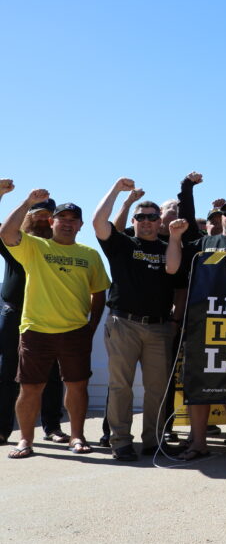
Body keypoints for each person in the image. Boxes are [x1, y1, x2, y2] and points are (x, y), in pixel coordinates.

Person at [1, 185, 110, 460]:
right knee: (30, 388)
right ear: (52, 222)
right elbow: (6, 233)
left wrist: (92, 326)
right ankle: (25, 440)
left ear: (81, 225)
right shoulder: (35, 246)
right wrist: (27, 201)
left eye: (74, 220)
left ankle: (77, 435)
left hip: (75, 331)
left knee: (77, 386)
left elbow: (99, 293)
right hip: (36, 330)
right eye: (62, 218)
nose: (68, 224)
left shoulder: (90, 255)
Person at [166, 196, 226, 461]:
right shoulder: (204, 243)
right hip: (201, 325)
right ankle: (198, 443)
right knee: (199, 386)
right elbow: (173, 268)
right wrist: (174, 238)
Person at [92, 178, 180, 462]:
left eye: (152, 217)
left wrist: (176, 238)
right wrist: (117, 191)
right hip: (123, 323)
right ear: (134, 220)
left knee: (156, 389)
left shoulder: (168, 245)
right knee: (121, 386)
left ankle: (153, 441)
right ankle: (120, 442)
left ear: (159, 222)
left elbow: (174, 269)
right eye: (141, 218)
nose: (147, 222)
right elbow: (98, 222)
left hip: (158, 327)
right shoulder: (122, 244)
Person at [1, 194, 67, 446]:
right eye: (36, 214)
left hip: (47, 316)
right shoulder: (15, 241)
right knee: (7, 374)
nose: (41, 220)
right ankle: (2, 429)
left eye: (47, 216)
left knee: (52, 374)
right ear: (27, 216)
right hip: (14, 313)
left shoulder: (60, 246)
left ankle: (52, 427)